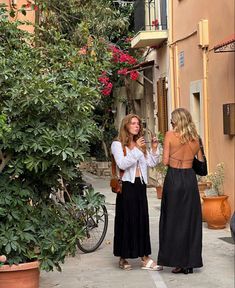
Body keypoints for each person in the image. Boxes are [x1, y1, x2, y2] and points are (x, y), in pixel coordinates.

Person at [111, 114, 162, 271]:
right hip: (126, 186)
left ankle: (144, 257)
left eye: (138, 124)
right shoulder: (117, 144)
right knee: (126, 221)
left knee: (141, 221)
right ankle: (123, 257)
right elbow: (122, 164)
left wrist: (153, 149)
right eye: (133, 123)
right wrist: (138, 150)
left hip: (140, 186)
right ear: (126, 126)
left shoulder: (139, 144)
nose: (137, 126)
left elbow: (151, 163)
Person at [157, 108, 203, 274]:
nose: (171, 123)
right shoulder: (196, 139)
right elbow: (202, 166)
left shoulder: (170, 135)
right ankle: (189, 263)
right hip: (190, 180)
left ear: (176, 121)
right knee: (190, 221)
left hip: (174, 179)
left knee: (173, 220)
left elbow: (165, 161)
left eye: (172, 120)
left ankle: (176, 260)